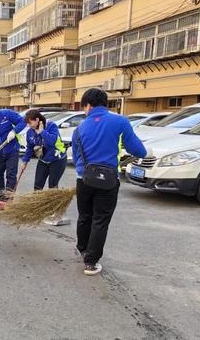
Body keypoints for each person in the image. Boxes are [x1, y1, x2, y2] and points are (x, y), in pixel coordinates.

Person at [72, 88, 148, 276]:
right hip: (108, 181)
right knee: (100, 220)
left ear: (88, 105)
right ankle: (90, 262)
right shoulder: (120, 121)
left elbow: (75, 158)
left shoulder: (79, 128)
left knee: (84, 216)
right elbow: (137, 150)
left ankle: (82, 249)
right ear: (105, 103)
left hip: (84, 179)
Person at [20, 110, 68, 190]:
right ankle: (38, 202)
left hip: (57, 159)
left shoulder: (51, 126)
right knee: (37, 186)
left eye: (30, 123)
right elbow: (30, 147)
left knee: (52, 186)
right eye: (27, 123)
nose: (28, 125)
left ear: (37, 120)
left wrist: (42, 132)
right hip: (43, 160)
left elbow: (52, 142)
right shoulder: (30, 132)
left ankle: (53, 202)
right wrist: (25, 161)